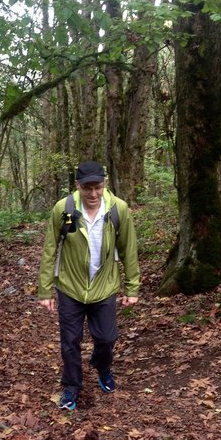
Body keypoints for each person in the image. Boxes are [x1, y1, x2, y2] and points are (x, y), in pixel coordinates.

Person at [38, 161, 140, 410]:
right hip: (70, 287)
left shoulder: (117, 209)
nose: (93, 193)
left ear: (105, 184)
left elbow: (129, 248)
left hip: (104, 286)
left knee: (106, 338)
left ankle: (102, 366)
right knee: (70, 341)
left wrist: (132, 287)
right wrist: (45, 289)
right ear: (78, 186)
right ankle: (72, 387)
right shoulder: (67, 209)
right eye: (87, 188)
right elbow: (51, 248)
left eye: (98, 187)